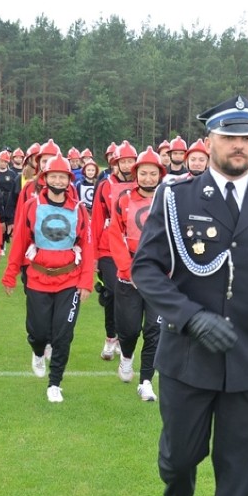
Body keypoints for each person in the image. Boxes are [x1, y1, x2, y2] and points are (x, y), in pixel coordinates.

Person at [131, 95, 248, 496]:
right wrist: (191, 318)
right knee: (178, 463)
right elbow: (146, 270)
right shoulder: (177, 198)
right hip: (187, 358)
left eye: (247, 137)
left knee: (241, 477)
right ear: (208, 141)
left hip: (247, 360)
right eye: (230, 136)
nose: (239, 145)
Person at [2, 154, 94, 403]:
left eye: (62, 176)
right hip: (38, 279)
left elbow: (87, 247)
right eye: (53, 176)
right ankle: (38, 350)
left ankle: (55, 383)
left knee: (63, 334)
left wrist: (86, 281)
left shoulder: (79, 210)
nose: (58, 180)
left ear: (68, 180)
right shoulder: (32, 206)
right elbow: (20, 240)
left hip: (69, 281)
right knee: (38, 330)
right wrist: (10, 274)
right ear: (45, 178)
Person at [107, 146, 165, 401]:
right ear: (136, 174)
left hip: (159, 277)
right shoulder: (123, 200)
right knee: (129, 330)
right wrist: (128, 269)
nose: (148, 178)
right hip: (128, 275)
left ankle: (146, 381)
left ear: (160, 175)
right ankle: (127, 357)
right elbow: (114, 235)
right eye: (144, 173)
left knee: (154, 330)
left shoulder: (168, 200)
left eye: (153, 173)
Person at [90, 141, 137, 361]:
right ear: (115, 163)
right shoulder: (105, 185)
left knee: (127, 296)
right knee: (114, 292)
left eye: (131, 161)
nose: (127, 166)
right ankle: (111, 337)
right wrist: (94, 257)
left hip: (136, 249)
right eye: (123, 161)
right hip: (108, 248)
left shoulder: (144, 184)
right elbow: (97, 221)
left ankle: (123, 339)